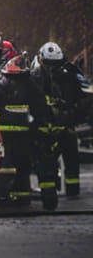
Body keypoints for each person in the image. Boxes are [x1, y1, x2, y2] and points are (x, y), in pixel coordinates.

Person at [0, 54, 55, 208]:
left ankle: (7, 196)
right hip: (29, 134)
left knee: (8, 165)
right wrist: (44, 129)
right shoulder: (32, 85)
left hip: (6, 136)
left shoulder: (0, 86)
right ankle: (34, 197)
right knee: (28, 164)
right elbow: (41, 110)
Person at [33, 41, 86, 198]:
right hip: (64, 124)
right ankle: (72, 191)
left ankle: (51, 192)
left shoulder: (37, 74)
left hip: (47, 126)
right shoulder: (71, 72)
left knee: (47, 160)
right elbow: (83, 95)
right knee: (70, 159)